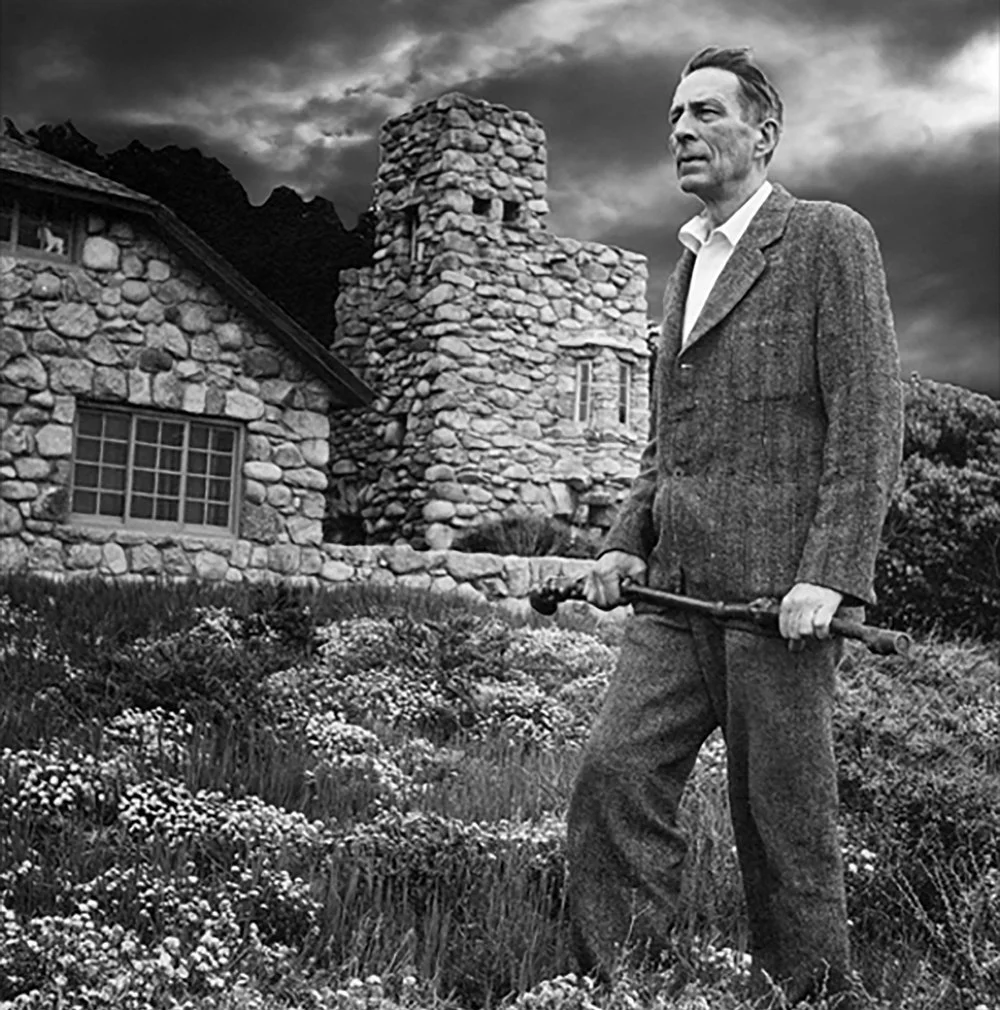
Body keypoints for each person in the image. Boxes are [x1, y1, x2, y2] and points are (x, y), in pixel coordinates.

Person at [566, 45, 903, 1008]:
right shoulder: (686, 269)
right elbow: (664, 441)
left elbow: (871, 417)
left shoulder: (829, 237)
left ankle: (818, 998)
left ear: (764, 132)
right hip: (675, 600)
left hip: (777, 604)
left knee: (784, 826)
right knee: (613, 777)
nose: (681, 130)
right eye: (674, 115)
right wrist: (627, 538)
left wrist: (830, 574)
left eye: (706, 113)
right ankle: (632, 987)